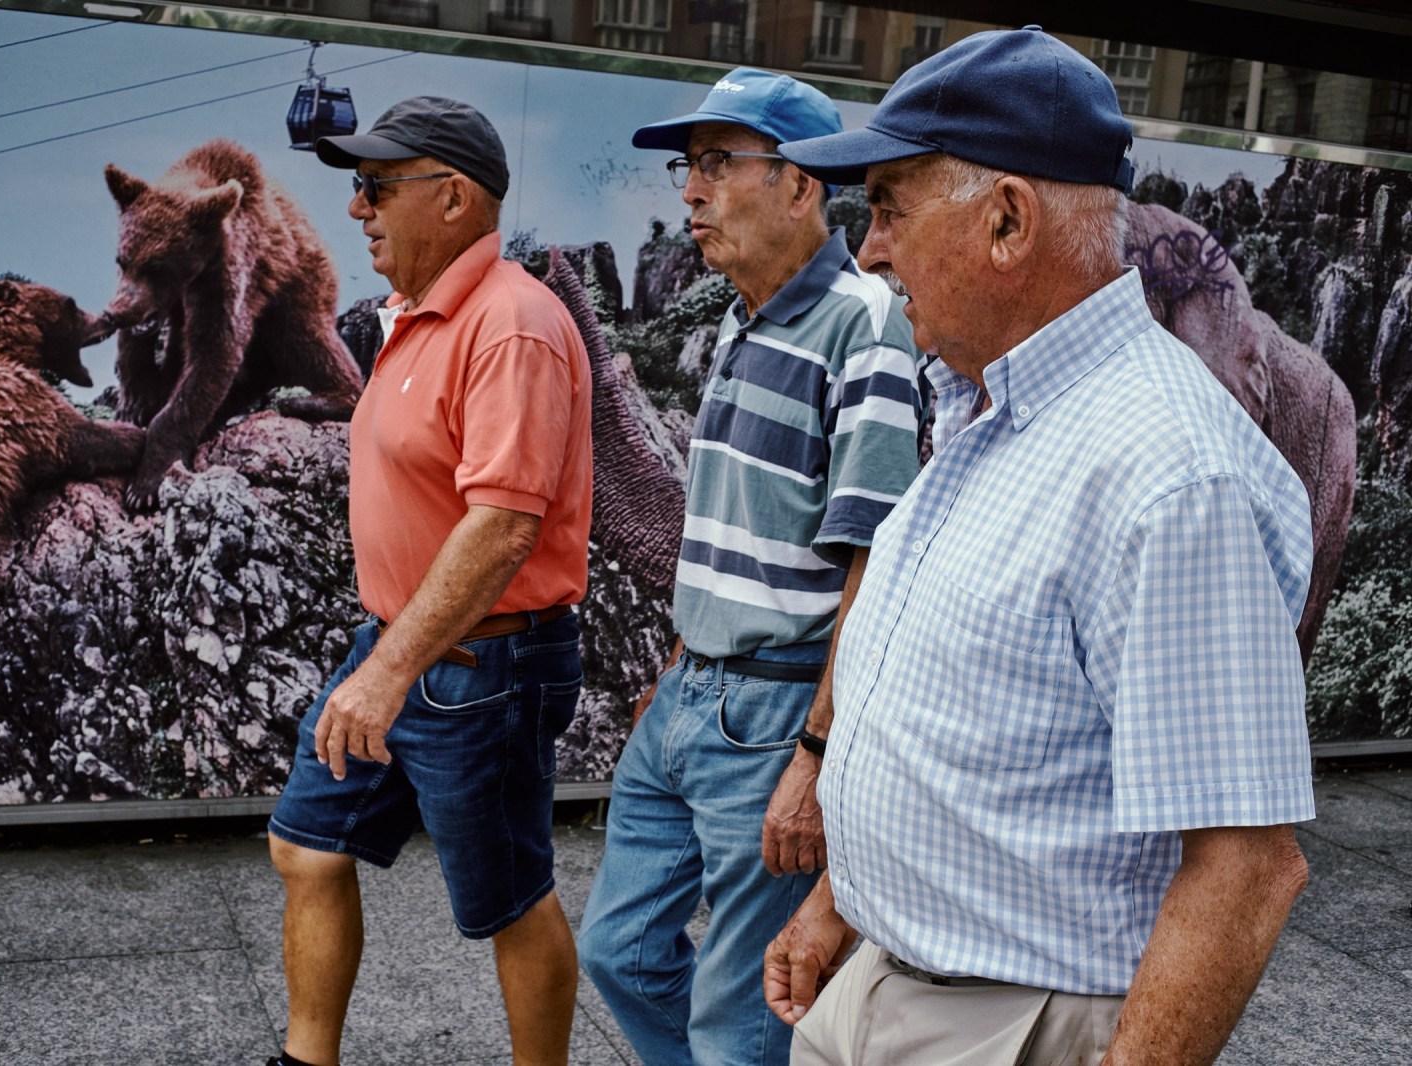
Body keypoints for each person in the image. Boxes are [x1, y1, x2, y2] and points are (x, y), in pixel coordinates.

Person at [764, 26, 1316, 1066]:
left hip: (1013, 1025)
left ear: (1009, 219)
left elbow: (1245, 865)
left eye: (887, 206)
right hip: (887, 979)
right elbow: (954, 721)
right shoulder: (989, 408)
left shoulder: (1167, 472)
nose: (869, 248)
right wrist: (841, 907)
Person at [577, 68, 923, 1066]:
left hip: (774, 718)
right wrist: (681, 667)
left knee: (741, 1021)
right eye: (689, 165)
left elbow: (874, 568)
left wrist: (816, 757)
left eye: (718, 163)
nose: (689, 189)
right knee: (616, 951)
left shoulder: (864, 324)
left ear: (802, 183)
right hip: (690, 696)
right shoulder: (740, 319)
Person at [264, 96, 593, 1066]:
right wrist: (386, 659)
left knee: (508, 900)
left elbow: (501, 526)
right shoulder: (412, 318)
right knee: (306, 843)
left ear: (450, 199)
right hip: (402, 647)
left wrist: (388, 668)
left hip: (482, 665)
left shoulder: (515, 324)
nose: (357, 209)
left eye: (374, 186)